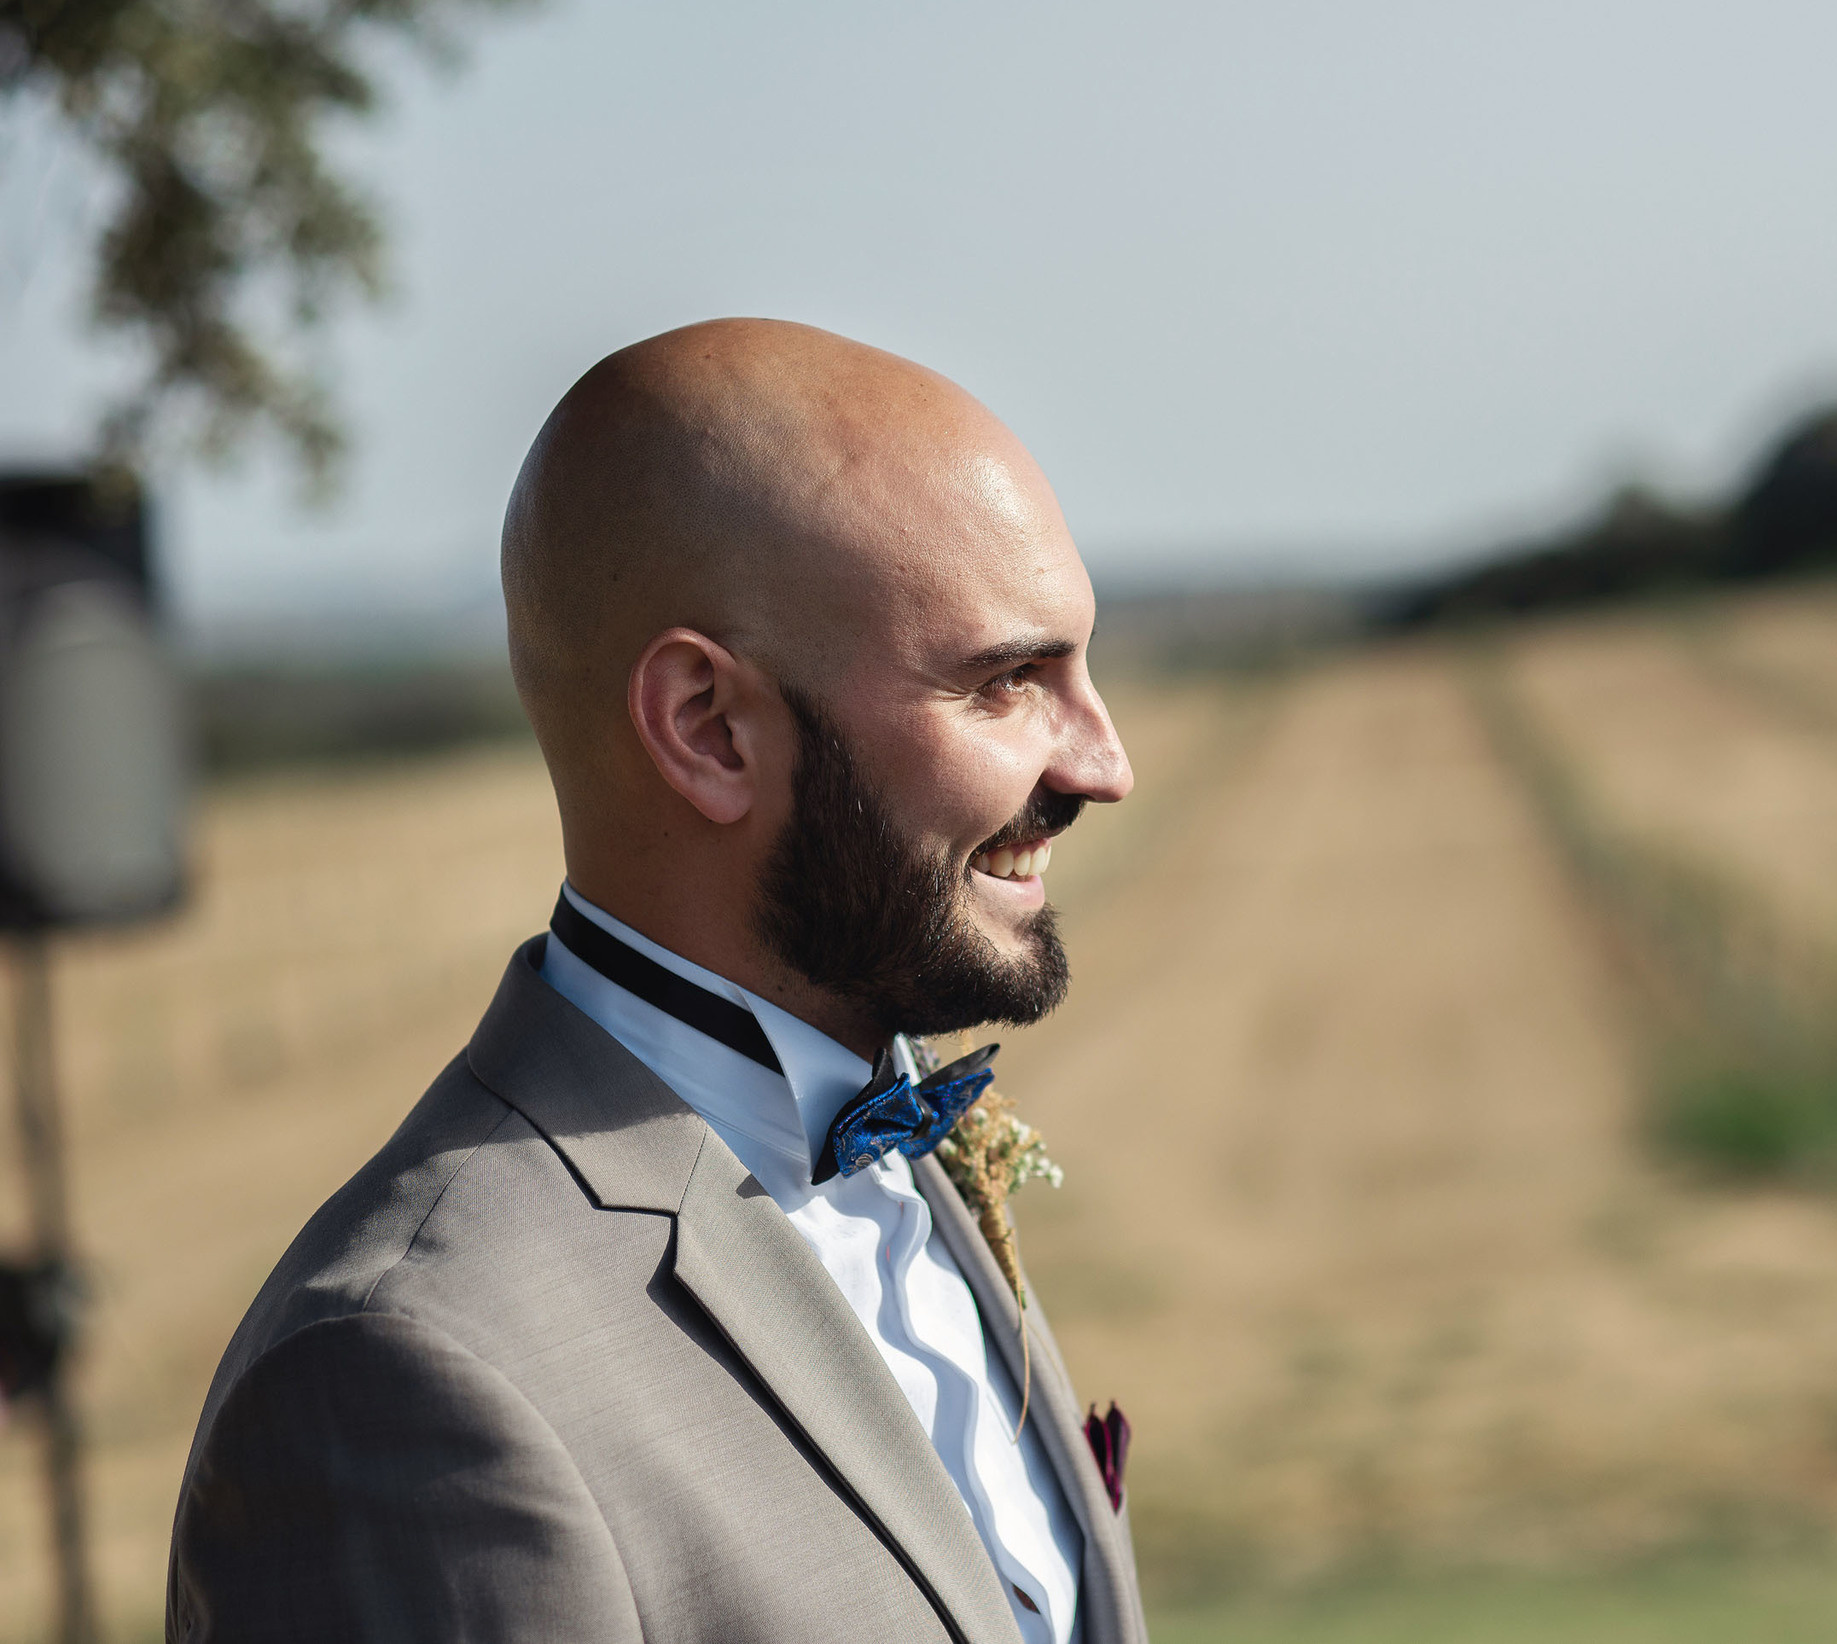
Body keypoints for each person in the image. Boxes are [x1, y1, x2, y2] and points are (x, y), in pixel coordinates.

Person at [164, 319, 1144, 1643]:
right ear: (708, 730)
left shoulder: (915, 1157)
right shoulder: (407, 1375)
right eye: (1008, 681)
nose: (1102, 763)